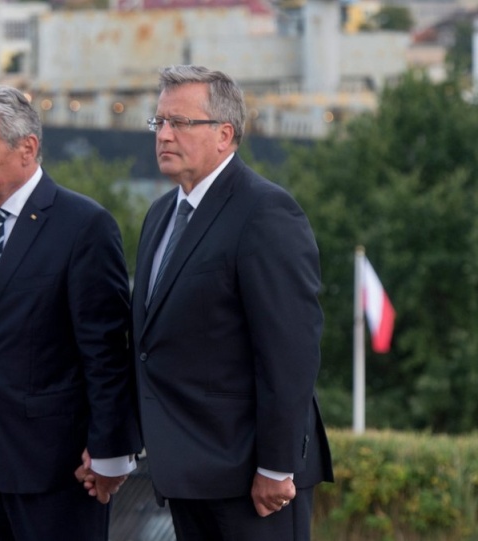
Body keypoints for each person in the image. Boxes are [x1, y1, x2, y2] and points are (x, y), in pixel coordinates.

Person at [131, 65, 334, 540]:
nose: (164, 134)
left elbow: (290, 352)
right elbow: (148, 344)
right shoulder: (161, 215)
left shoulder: (265, 212)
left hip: (250, 480)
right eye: (158, 122)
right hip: (186, 473)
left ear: (225, 134)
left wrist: (276, 464)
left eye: (180, 122)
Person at [0, 84, 142, 541]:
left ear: (27, 148)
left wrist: (111, 450)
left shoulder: (84, 225)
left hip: (61, 470)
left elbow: (106, 352)